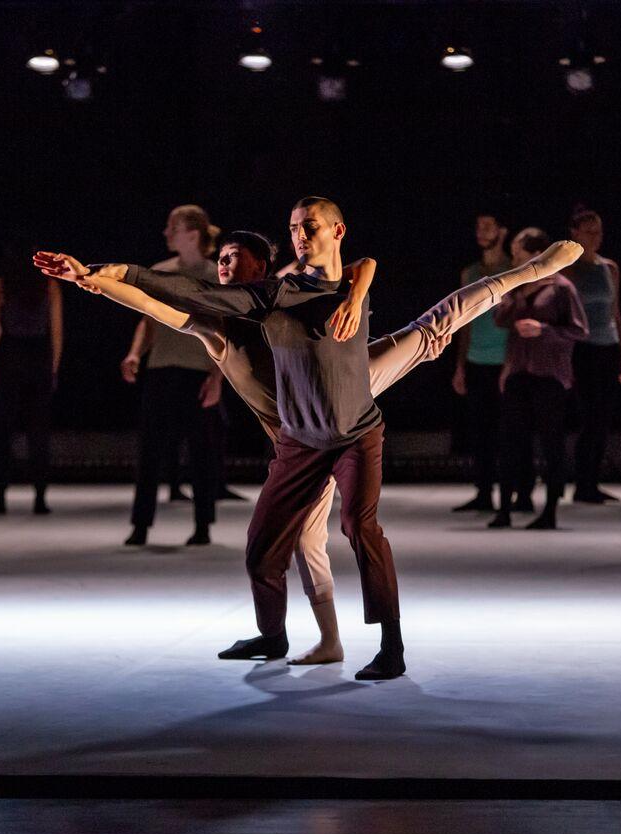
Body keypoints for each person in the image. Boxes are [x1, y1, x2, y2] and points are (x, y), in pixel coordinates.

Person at [37, 225, 583, 671]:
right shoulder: (218, 327)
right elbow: (156, 305)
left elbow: (359, 266)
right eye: (221, 260)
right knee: (298, 541)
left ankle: (533, 269)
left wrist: (365, 290)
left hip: (352, 391)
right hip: (299, 440)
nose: (224, 268)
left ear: (262, 269)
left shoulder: (286, 295)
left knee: (432, 325)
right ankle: (307, 640)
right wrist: (90, 280)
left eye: (235, 260)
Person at [120, 205, 226, 546]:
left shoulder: (214, 275)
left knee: (201, 453)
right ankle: (140, 525)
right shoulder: (160, 272)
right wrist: (135, 353)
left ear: (192, 235)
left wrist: (217, 378)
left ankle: (203, 525)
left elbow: (225, 331)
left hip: (197, 372)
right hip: (161, 370)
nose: (166, 233)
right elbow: (147, 321)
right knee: (150, 451)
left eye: (173, 227)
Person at [488, 229, 588, 530]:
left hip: (549, 375)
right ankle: (504, 507)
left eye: (518, 252)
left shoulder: (562, 288)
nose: (513, 257)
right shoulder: (517, 284)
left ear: (536, 254)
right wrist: (519, 295)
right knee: (510, 442)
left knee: (551, 444)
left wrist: (544, 330)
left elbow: (579, 330)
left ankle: (551, 510)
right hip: (518, 371)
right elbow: (499, 319)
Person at [0, 241, 63, 515]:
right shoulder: (49, 285)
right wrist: (53, 367)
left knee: (2, 432)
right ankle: (40, 497)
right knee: (38, 432)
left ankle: (0, 496)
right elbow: (56, 332)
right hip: (37, 354)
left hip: (9, 355)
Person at [567, 207, 621, 504]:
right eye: (590, 232)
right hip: (581, 348)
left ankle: (593, 480)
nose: (596, 237)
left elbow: (615, 312)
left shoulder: (610, 268)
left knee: (604, 417)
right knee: (588, 417)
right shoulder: (568, 270)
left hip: (607, 345)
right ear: (575, 234)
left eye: (599, 232)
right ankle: (583, 483)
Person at [450, 211, 513, 512]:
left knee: (506, 431)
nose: (481, 232)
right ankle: (484, 492)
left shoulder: (512, 269)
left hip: (505, 363)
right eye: (478, 226)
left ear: (502, 231)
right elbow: (464, 323)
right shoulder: (470, 273)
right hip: (476, 361)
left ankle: (512, 494)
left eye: (488, 226)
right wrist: (460, 365)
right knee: (480, 432)